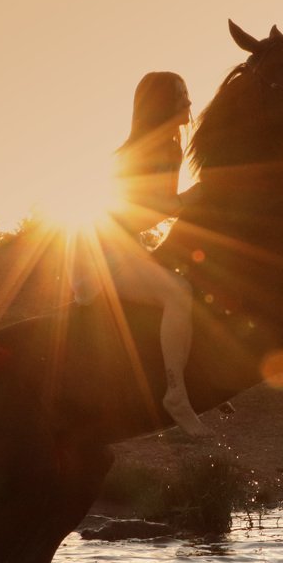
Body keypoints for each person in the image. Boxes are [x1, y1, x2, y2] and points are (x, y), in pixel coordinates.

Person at [72, 71, 211, 440]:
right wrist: (188, 200)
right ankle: (176, 394)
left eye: (188, 92)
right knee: (177, 292)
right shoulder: (151, 149)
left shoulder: (169, 145)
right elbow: (139, 213)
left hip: (128, 247)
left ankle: (189, 374)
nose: (189, 101)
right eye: (181, 94)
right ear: (162, 102)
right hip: (104, 253)